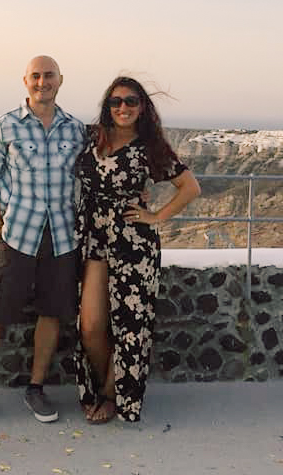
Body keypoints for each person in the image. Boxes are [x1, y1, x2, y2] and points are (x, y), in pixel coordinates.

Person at [0, 55, 86, 431]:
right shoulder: (5, 126)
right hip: (16, 237)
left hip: (62, 237)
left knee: (51, 313)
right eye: (36, 76)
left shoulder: (75, 129)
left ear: (61, 80)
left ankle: (36, 387)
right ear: (25, 81)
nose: (42, 82)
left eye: (49, 76)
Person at [75, 76, 201, 423]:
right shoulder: (92, 136)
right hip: (94, 238)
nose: (123, 108)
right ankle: (105, 385)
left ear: (142, 106)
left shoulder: (150, 148)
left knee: (129, 324)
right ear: (107, 106)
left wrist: (155, 215)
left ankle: (113, 396)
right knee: (91, 325)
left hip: (133, 243)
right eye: (116, 102)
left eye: (131, 101)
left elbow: (190, 187)